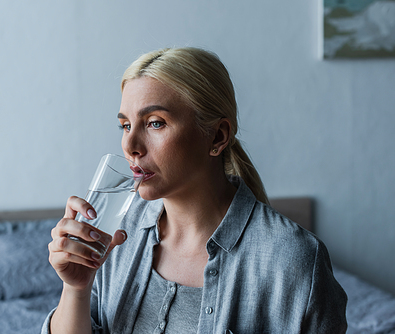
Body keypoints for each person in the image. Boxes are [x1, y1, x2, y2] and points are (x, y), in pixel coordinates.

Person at [42, 47, 347, 333]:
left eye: (155, 123)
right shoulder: (117, 231)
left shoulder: (293, 261)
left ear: (217, 136)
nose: (130, 146)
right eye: (125, 125)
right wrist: (76, 289)